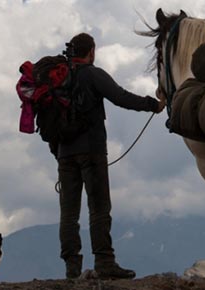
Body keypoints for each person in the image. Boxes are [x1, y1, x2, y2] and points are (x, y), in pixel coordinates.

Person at [57, 32, 165, 280]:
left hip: (64, 153)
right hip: (92, 151)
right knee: (99, 208)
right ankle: (105, 262)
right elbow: (121, 97)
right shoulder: (93, 74)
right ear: (91, 51)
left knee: (69, 213)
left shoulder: (60, 78)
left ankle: (72, 269)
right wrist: (153, 105)